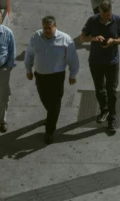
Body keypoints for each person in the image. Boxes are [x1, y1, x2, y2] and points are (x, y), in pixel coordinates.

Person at [24, 16, 79, 144]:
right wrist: (28, 69)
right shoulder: (35, 37)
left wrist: (73, 74)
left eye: (50, 28)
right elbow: (29, 54)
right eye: (45, 28)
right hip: (40, 76)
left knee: (54, 104)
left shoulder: (65, 39)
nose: (47, 31)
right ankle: (51, 117)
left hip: (57, 77)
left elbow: (72, 58)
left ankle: (49, 131)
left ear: (55, 27)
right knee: (44, 99)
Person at [80, 1, 120, 133]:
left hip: (112, 62)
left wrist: (113, 41)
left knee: (111, 91)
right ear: (99, 12)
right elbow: (83, 38)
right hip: (95, 61)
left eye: (108, 15)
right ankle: (104, 110)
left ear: (111, 12)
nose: (105, 18)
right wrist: (95, 39)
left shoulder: (118, 20)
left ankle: (112, 118)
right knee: (99, 89)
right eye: (103, 15)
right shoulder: (92, 20)